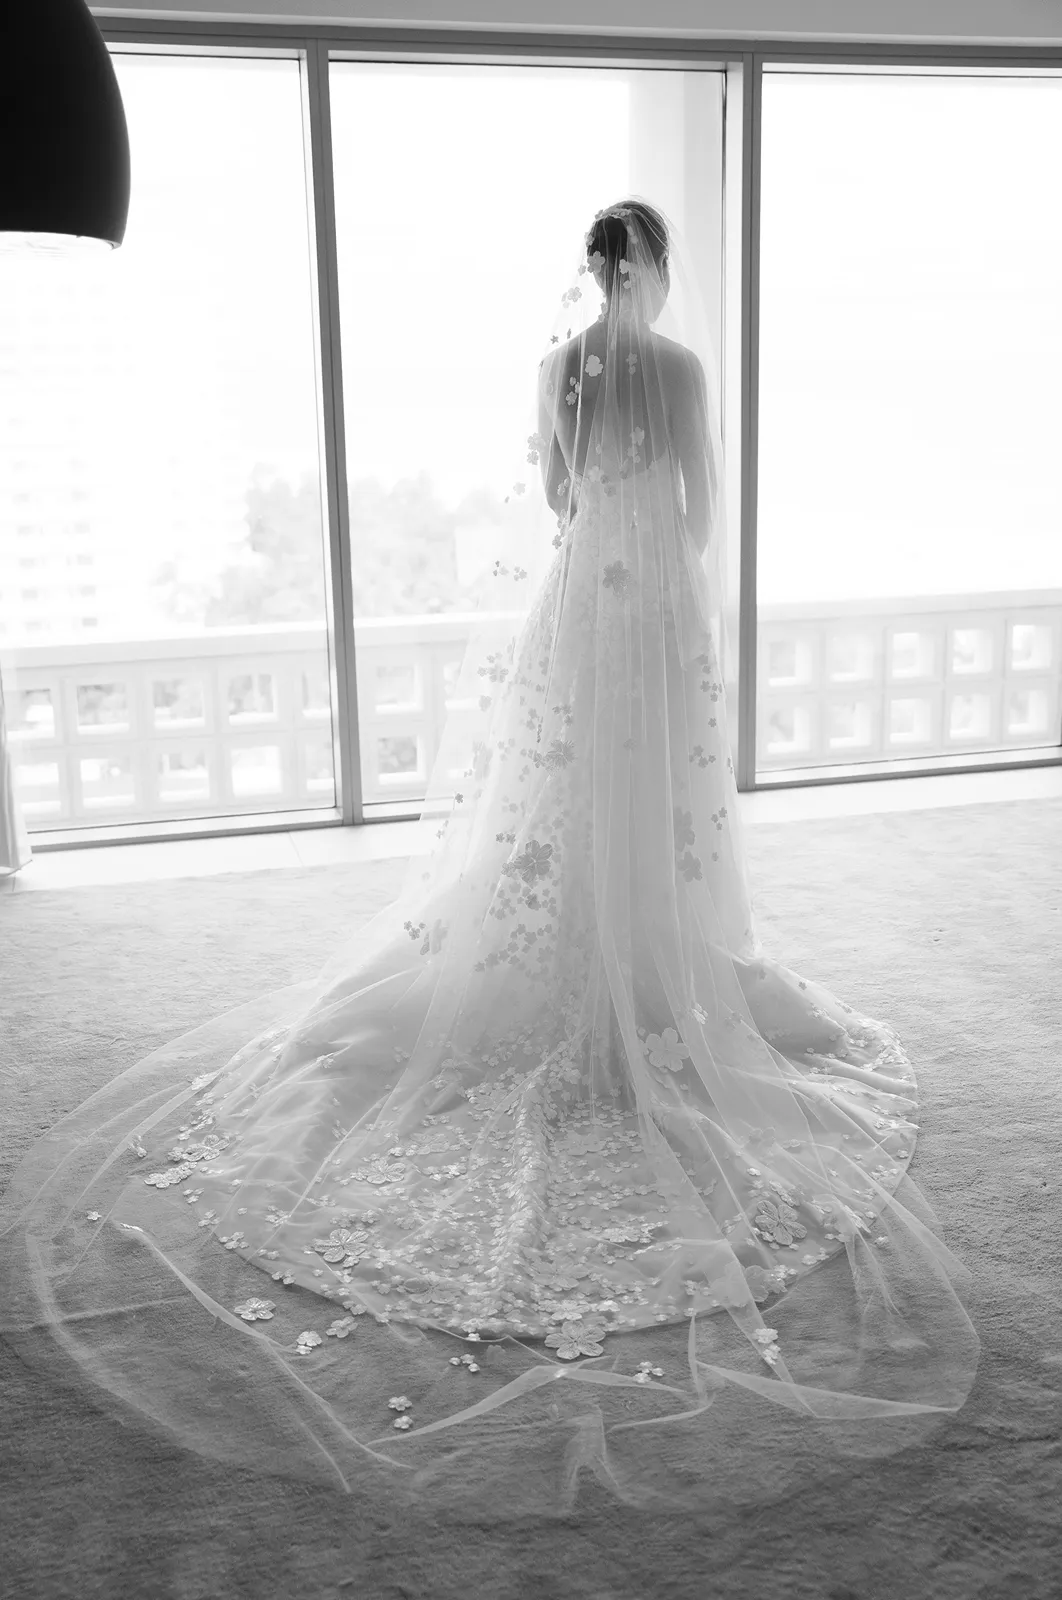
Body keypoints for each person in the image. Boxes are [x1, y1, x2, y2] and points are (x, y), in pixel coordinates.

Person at [0, 200, 979, 1515]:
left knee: (558, 791)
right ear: (659, 274)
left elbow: (561, 494)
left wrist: (605, 544)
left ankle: (568, 939)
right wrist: (670, 597)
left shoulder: (554, 368)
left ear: (588, 271)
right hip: (653, 603)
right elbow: (692, 508)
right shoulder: (680, 369)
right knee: (651, 800)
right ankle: (650, 950)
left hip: (580, 596)